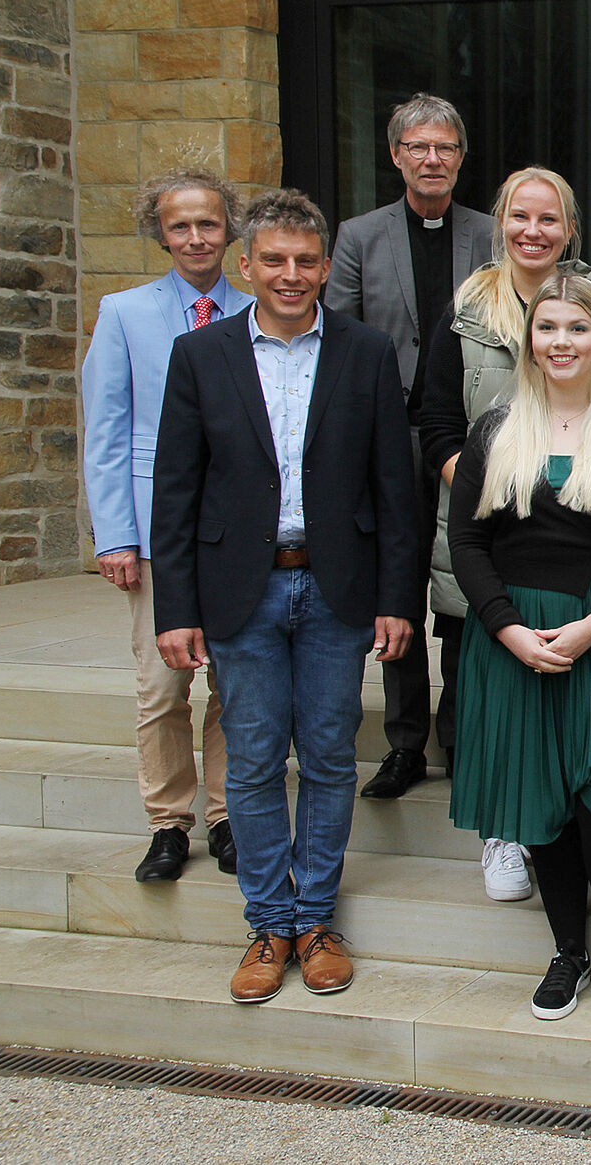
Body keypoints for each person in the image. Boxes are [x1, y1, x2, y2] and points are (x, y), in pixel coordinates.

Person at [151, 188, 419, 1004]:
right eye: (275, 260)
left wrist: (396, 597)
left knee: (333, 757)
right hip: (243, 592)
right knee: (259, 759)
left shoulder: (365, 352)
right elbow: (177, 490)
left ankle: (315, 920)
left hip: (338, 589)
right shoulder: (202, 356)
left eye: (306, 260)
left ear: (324, 267)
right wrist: (177, 608)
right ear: (246, 265)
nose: (292, 274)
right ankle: (268, 922)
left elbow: (394, 487)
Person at [447, 276, 591, 1029]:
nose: (562, 342)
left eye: (578, 328)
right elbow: (468, 542)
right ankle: (567, 950)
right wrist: (507, 627)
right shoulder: (495, 429)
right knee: (541, 800)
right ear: (531, 341)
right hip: (513, 639)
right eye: (548, 329)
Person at [420, 166, 591, 904]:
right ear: (501, 223)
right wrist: (499, 482)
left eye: (549, 219)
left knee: (568, 717)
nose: (533, 231)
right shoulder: (463, 311)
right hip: (490, 528)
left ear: (569, 229)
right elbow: (440, 420)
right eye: (520, 216)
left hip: (576, 548)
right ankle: (503, 829)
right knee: (490, 695)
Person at [82, 167, 251, 882]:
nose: (194, 237)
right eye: (179, 225)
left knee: (236, 683)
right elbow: (107, 428)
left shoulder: (258, 306)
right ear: (160, 232)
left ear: (229, 229)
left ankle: (225, 812)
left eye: (207, 223)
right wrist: (115, 531)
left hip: (240, 530)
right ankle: (168, 821)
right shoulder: (124, 313)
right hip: (158, 532)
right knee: (162, 684)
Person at [327, 94, 494, 803]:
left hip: (465, 434)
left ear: (461, 158)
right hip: (390, 436)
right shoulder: (360, 236)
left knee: (461, 585)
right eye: (419, 147)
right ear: (395, 154)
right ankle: (403, 742)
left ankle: (459, 734)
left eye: (445, 148)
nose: (433, 159)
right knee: (396, 583)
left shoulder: (491, 233)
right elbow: (336, 333)